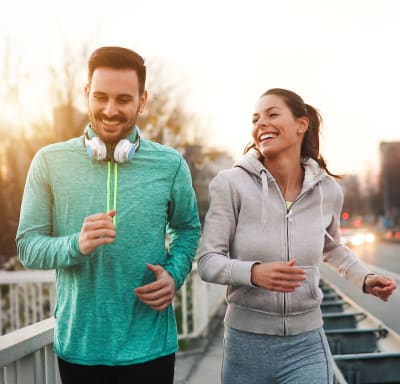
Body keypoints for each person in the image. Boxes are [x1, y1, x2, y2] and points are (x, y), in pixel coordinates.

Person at [16, 46, 201, 384]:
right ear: (86, 94)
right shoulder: (48, 161)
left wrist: (174, 274)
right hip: (79, 348)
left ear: (142, 101)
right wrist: (76, 244)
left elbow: (187, 230)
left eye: (123, 100)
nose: (110, 110)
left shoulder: (171, 164)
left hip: (151, 348)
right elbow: (28, 246)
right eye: (100, 97)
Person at [198, 88, 397, 384]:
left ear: (301, 125)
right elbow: (207, 261)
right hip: (246, 346)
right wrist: (253, 273)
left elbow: (332, 248)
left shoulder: (328, 190)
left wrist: (364, 279)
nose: (261, 123)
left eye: (272, 114)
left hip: (307, 343)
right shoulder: (231, 184)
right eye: (255, 119)